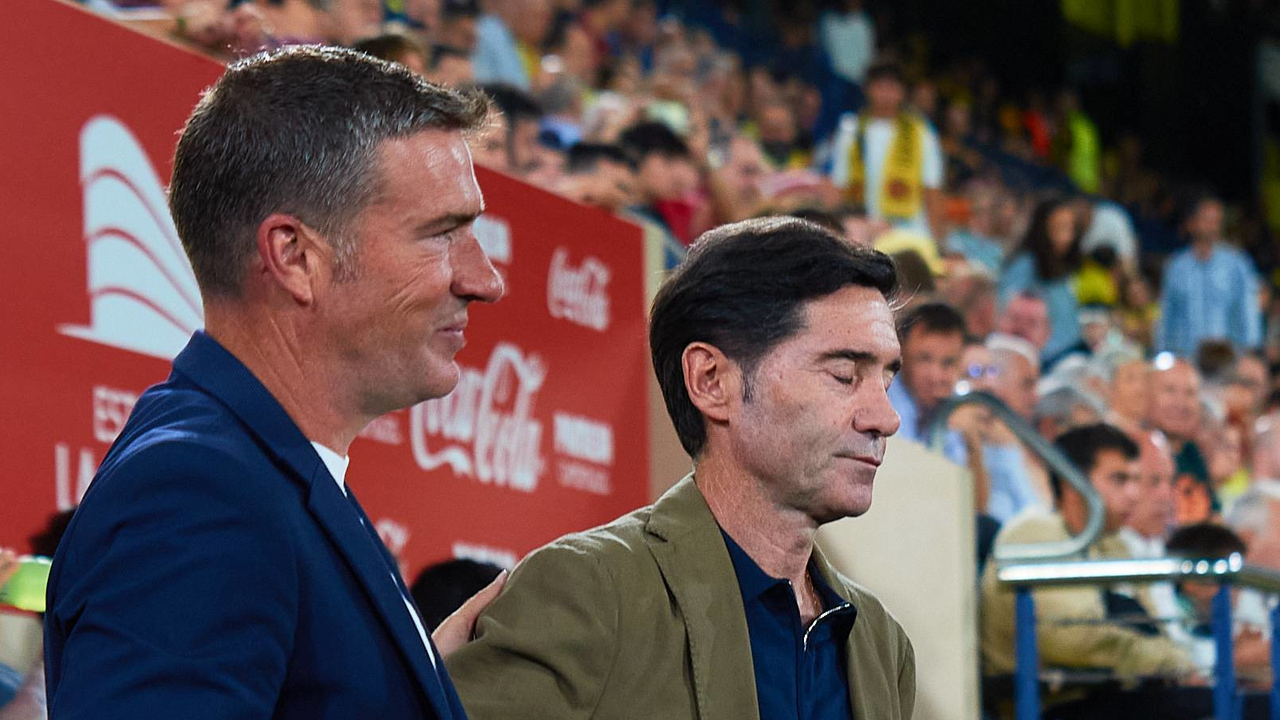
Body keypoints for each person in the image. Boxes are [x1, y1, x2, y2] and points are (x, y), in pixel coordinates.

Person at [44, 47, 505, 719]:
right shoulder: (198, 493)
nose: (485, 280)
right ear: (294, 257)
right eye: (442, 234)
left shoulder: (265, 475)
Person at [446, 217, 916, 719]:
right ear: (711, 380)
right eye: (844, 375)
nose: (886, 418)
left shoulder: (882, 646)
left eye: (886, 382)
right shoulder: (589, 591)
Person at [981, 424, 1197, 717]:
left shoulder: (1112, 544)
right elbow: (1073, 640)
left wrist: (1173, 661)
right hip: (1053, 704)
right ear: (1073, 483)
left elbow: (1150, 625)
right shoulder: (1034, 535)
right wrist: (1172, 661)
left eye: (1135, 480)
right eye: (1119, 480)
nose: (1133, 494)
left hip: (1109, 695)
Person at [830, 62, 943, 239]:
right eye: (880, 86)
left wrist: (936, 238)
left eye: (891, 87)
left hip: (908, 229)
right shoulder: (850, 130)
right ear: (867, 89)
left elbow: (931, 188)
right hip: (862, 228)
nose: (885, 93)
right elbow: (839, 184)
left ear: (902, 91)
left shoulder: (921, 132)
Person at [1158, 195, 1263, 357]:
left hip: (1227, 358)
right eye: (1207, 220)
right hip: (1185, 356)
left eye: (1216, 221)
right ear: (1192, 223)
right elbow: (1167, 312)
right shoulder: (1176, 266)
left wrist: (1250, 349)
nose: (1212, 226)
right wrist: (1162, 350)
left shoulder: (1237, 264)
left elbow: (1248, 307)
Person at [998, 197, 1086, 365]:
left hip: (1069, 353)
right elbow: (1006, 316)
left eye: (1070, 228)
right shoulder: (1024, 265)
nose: (1066, 237)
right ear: (1042, 229)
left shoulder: (1064, 269)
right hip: (1042, 360)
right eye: (1059, 228)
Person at [889, 301, 966, 443]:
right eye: (924, 359)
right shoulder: (883, 401)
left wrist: (972, 440)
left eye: (948, 363)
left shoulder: (960, 411)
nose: (936, 377)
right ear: (901, 355)